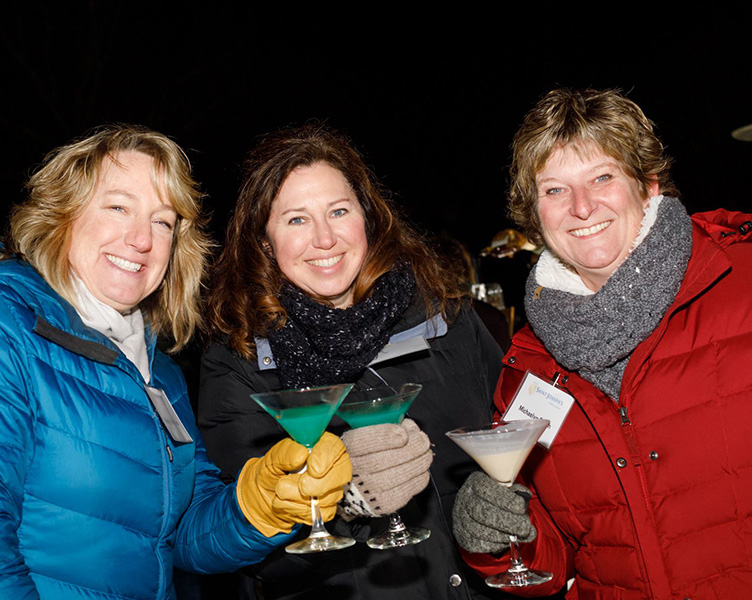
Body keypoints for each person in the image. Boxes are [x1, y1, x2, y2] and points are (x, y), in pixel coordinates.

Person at [0, 125, 352, 600]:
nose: (141, 239)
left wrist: (259, 505)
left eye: (163, 221)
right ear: (62, 214)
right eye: (118, 207)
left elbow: (179, 536)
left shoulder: (155, 370)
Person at [452, 88, 752, 598]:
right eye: (554, 190)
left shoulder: (739, 282)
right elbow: (551, 562)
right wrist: (493, 540)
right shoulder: (525, 370)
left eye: (603, 177)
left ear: (649, 186)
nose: (582, 206)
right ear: (535, 216)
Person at [199, 124, 506, 599]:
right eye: (296, 220)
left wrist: (506, 505)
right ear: (264, 241)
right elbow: (249, 555)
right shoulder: (239, 360)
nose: (324, 238)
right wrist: (346, 505)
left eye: (338, 211)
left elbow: (513, 438)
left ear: (368, 217)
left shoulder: (445, 315)